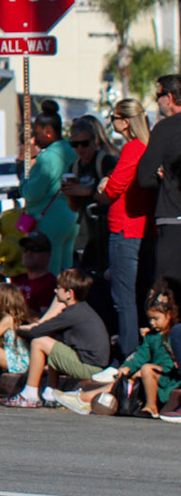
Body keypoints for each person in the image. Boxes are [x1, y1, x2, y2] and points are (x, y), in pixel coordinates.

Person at [12, 270, 112, 408]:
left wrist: (18, 329)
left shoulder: (72, 313)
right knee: (55, 345)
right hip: (93, 365)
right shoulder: (82, 310)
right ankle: (51, 393)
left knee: (39, 342)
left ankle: (30, 394)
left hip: (90, 368)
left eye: (59, 288)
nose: (55, 291)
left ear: (69, 293)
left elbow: (36, 332)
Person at [101, 98, 153, 360]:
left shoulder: (133, 147)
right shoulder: (149, 145)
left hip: (126, 227)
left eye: (113, 118)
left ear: (125, 121)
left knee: (123, 298)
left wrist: (104, 183)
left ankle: (128, 355)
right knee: (139, 294)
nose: (111, 122)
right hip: (144, 227)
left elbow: (113, 188)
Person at [81, 293, 181, 417]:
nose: (152, 323)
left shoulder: (174, 335)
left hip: (171, 377)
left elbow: (172, 363)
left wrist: (144, 371)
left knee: (146, 369)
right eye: (150, 319)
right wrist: (128, 366)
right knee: (130, 378)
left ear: (169, 315)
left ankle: (151, 406)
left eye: (156, 319)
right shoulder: (151, 337)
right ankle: (89, 398)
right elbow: (141, 355)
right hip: (156, 377)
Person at [17, 111, 78, 273]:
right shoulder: (73, 151)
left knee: (48, 272)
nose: (35, 139)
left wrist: (23, 183)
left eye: (37, 133)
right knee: (66, 269)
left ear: (48, 130)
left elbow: (33, 193)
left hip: (49, 219)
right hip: (71, 215)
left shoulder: (48, 158)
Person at [139, 75, 181, 283]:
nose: (157, 102)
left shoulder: (165, 129)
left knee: (168, 289)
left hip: (173, 218)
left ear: (170, 97)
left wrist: (165, 183)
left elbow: (144, 177)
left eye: (158, 96)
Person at [65, 115, 116, 280]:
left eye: (84, 143)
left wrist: (87, 191)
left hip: (107, 230)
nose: (80, 149)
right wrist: (70, 194)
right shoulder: (74, 167)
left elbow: (114, 196)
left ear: (94, 141)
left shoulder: (105, 162)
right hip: (86, 233)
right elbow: (74, 207)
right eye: (75, 144)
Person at [14, 233, 58, 313]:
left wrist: (16, 309)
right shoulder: (16, 279)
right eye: (26, 249)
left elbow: (45, 318)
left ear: (47, 255)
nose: (28, 253)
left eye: (35, 249)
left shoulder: (50, 284)